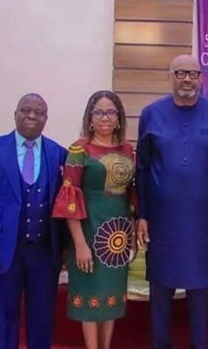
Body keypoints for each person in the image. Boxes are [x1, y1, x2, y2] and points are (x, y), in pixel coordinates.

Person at [136, 54, 208, 349]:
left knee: (200, 293)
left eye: (192, 73)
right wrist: (142, 214)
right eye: (180, 73)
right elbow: (142, 167)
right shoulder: (151, 114)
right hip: (163, 222)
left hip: (204, 223)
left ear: (202, 77)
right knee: (161, 291)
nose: (187, 79)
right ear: (170, 77)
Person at [52, 90, 136, 349]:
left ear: (119, 118)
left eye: (110, 112)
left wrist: (131, 239)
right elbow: (69, 200)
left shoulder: (127, 150)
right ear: (90, 118)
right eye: (98, 112)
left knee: (110, 300)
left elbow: (131, 196)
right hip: (89, 234)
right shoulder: (79, 149)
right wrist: (79, 244)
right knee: (90, 298)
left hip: (118, 238)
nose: (104, 117)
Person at [0, 93, 67, 348]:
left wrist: (64, 249)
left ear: (46, 118)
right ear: (16, 113)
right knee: (4, 317)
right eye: (26, 110)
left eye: (39, 112)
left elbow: (65, 207)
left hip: (45, 251)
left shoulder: (59, 153)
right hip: (4, 249)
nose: (32, 116)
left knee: (42, 318)